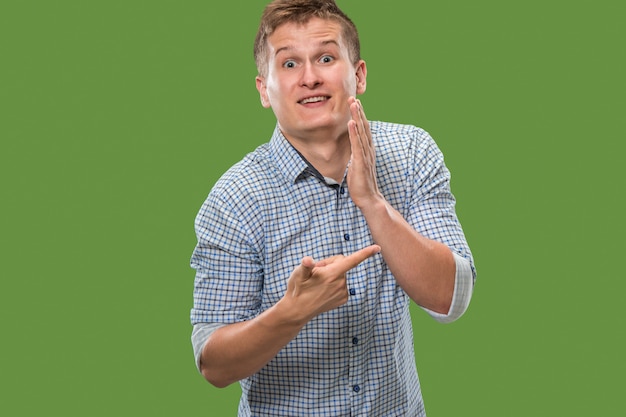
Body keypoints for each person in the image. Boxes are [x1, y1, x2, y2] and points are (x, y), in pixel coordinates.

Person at [190, 0, 476, 415]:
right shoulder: (235, 198)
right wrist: (292, 312)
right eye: (289, 65)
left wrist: (373, 203)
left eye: (325, 57)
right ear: (263, 90)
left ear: (358, 75)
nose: (309, 78)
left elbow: (451, 300)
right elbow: (212, 364)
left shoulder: (412, 152)